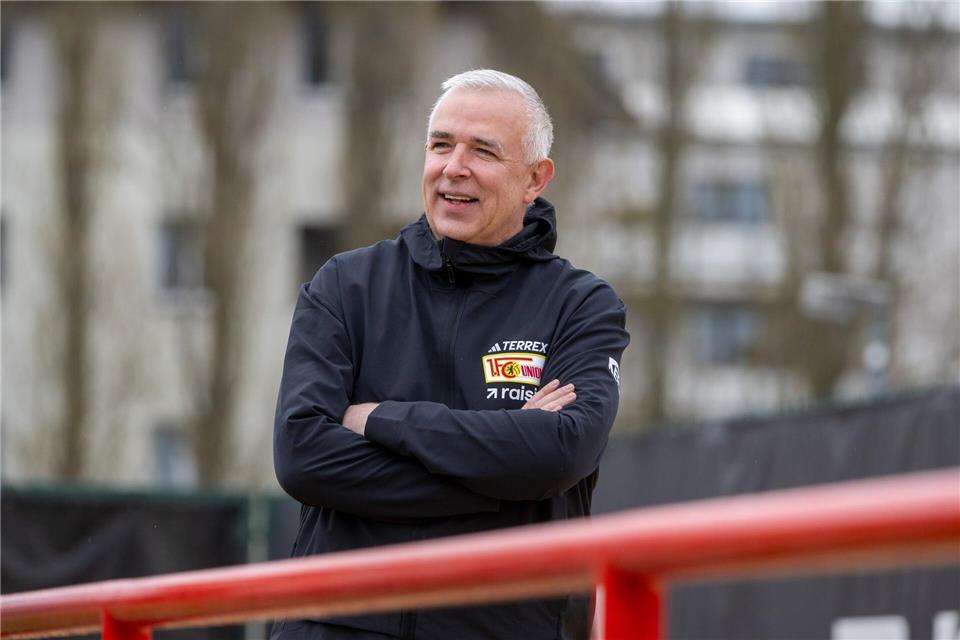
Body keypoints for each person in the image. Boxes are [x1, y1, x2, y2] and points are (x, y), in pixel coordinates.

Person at [272, 69, 630, 640]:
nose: (453, 167)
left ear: (535, 179)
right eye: (441, 144)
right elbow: (302, 455)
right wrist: (503, 476)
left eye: (483, 151)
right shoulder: (345, 285)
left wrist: (383, 420)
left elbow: (562, 452)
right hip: (340, 625)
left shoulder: (581, 305)